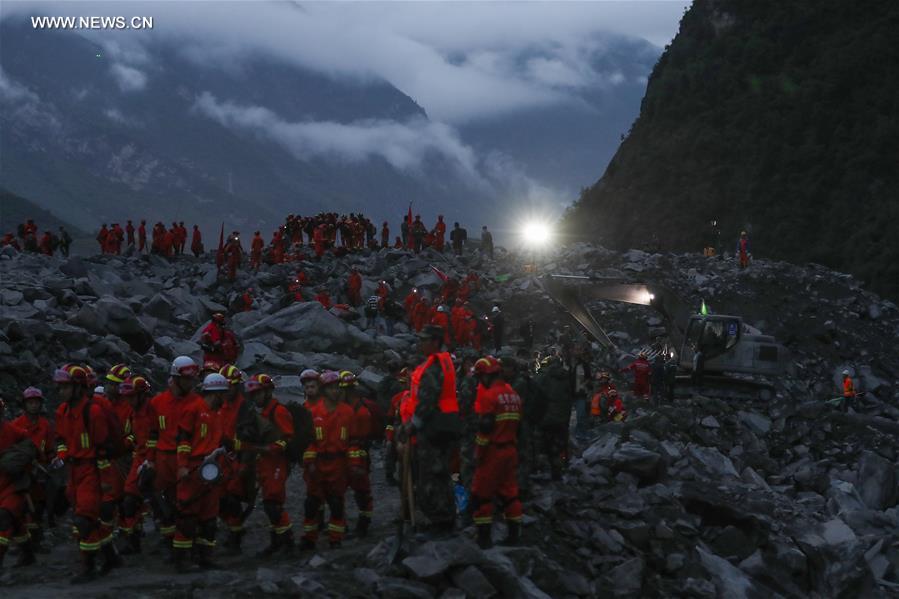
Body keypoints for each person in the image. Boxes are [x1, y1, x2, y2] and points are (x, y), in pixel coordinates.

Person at [51, 363, 109, 583]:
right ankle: (111, 556)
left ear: (78, 387)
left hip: (91, 470)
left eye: (65, 387)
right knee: (88, 519)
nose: (60, 392)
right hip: (73, 471)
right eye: (60, 387)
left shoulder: (92, 412)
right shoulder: (62, 411)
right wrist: (63, 457)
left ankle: (89, 568)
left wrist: (104, 480)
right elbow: (62, 440)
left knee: (83, 519)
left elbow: (102, 448)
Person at [401, 324, 460, 534]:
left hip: (434, 427)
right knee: (441, 473)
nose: (420, 343)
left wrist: (412, 425)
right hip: (445, 423)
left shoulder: (434, 366)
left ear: (435, 341)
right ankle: (445, 517)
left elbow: (427, 400)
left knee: (432, 475)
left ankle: (440, 520)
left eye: (424, 339)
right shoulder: (444, 362)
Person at [172, 372, 227, 572]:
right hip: (194, 469)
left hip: (211, 470)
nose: (225, 398)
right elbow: (183, 439)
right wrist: (183, 465)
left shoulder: (217, 414)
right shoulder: (194, 409)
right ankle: (181, 560)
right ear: (216, 393)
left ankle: (205, 557)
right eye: (223, 393)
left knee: (209, 517)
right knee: (187, 515)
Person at [148, 357, 202, 557]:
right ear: (176, 378)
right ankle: (168, 539)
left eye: (192, 379)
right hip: (163, 458)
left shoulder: (197, 403)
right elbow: (152, 433)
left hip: (186, 460)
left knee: (186, 503)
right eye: (187, 379)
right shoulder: (157, 402)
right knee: (164, 503)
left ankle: (187, 542)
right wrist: (150, 460)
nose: (191, 383)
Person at [471, 356, 523, 548]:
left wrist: (479, 453)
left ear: (485, 376)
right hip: (510, 450)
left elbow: (485, 429)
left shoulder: (489, 396)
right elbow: (519, 428)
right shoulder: (514, 395)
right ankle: (513, 536)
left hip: (493, 452)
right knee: (510, 494)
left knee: (481, 495)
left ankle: (484, 540)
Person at [300, 371, 354, 550]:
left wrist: (354, 463)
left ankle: (335, 538)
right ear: (324, 390)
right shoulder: (312, 413)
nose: (335, 391)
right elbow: (307, 442)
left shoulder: (347, 412)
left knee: (336, 502)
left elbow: (353, 439)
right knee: (312, 503)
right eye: (331, 388)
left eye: (337, 387)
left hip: (338, 463)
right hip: (318, 463)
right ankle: (309, 538)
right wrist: (310, 463)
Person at [247, 374, 295, 556]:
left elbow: (288, 438)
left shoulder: (279, 412)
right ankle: (276, 541)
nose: (255, 398)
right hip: (265, 463)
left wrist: (270, 448)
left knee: (273, 504)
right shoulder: (263, 413)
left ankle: (288, 542)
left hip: (277, 463)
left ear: (267, 392)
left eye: (257, 393)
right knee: (270, 502)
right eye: (253, 395)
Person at [118, 375, 157, 555]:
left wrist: (151, 460)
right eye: (126, 397)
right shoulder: (134, 412)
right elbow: (134, 435)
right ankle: (133, 540)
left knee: (162, 502)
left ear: (142, 395)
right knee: (129, 499)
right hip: (139, 458)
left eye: (131, 396)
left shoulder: (153, 411)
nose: (128, 400)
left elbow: (156, 437)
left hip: (156, 459)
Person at [10, 387, 52, 552]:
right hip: (22, 471)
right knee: (19, 506)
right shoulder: (16, 425)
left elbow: (49, 449)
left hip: (39, 471)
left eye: (36, 403)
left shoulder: (45, 425)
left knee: (39, 506)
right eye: (30, 403)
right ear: (24, 405)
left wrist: (51, 462)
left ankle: (36, 540)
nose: (34, 406)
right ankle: (20, 542)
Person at [0, 397, 35, 569]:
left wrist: (17, 458)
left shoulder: (11, 430)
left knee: (4, 518)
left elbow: (29, 444)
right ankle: (28, 554)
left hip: (13, 484)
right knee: (17, 522)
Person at [340, 372, 374, 537]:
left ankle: (364, 523)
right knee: (339, 490)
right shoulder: (346, 407)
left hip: (358, 453)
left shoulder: (361, 412)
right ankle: (341, 523)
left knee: (361, 490)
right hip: (345, 452)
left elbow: (362, 437)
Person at [534, 354, 571, 481]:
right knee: (559, 445)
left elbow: (535, 395)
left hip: (544, 418)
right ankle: (559, 470)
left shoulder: (542, 377)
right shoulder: (567, 377)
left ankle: (539, 470)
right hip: (562, 418)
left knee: (540, 443)